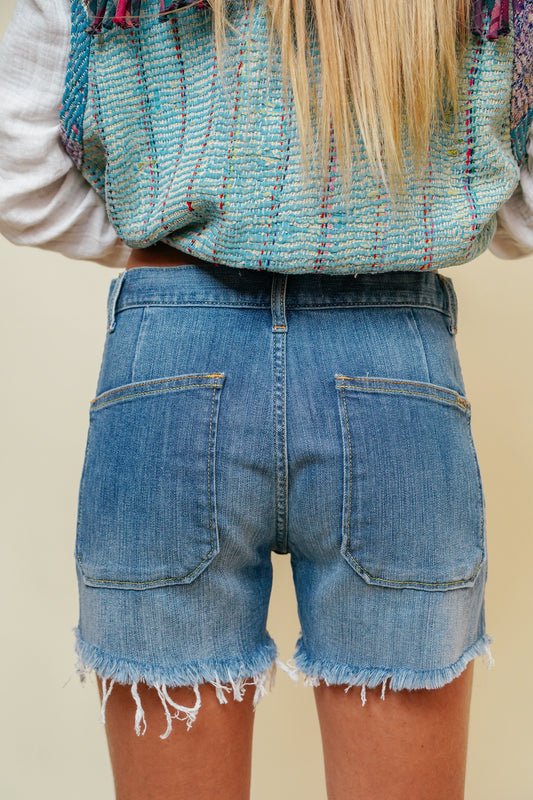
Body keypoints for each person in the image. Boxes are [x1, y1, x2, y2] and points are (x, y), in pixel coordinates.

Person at [0, 0, 531, 798]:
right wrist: (410, 223)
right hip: (394, 368)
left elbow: (19, 179)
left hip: (172, 358)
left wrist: (181, 238)